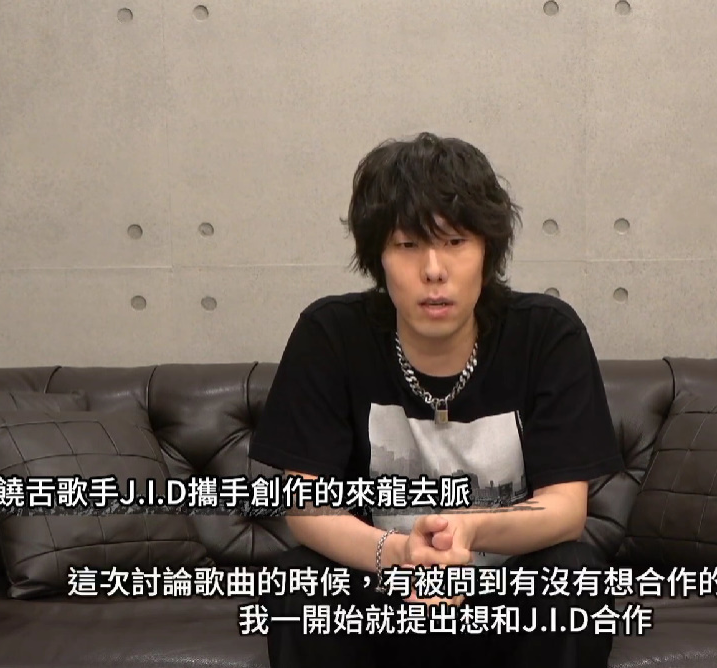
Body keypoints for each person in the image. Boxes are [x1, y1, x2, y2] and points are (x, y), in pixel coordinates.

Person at [249, 131, 624, 668]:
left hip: (506, 599)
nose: (433, 270)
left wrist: (469, 530)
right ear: (378, 257)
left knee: (575, 574)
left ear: (487, 252)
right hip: (381, 592)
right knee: (298, 580)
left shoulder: (546, 334)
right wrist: (402, 554)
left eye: (455, 242)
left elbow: (565, 511)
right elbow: (308, 507)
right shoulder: (330, 335)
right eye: (407, 245)